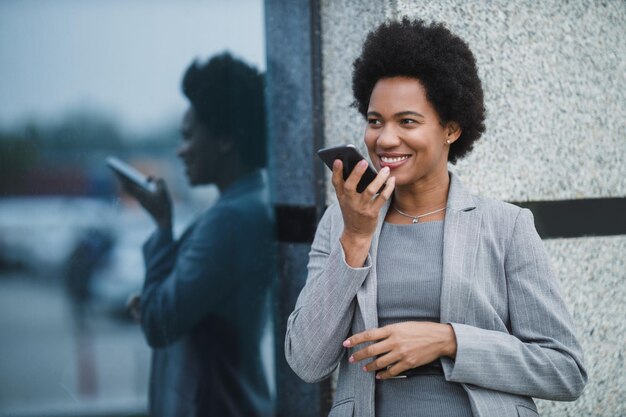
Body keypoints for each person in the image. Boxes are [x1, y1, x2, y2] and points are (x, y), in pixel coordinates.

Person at [285, 18, 586, 417]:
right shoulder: (340, 225)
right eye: (375, 121)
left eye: (407, 121)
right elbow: (307, 362)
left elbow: (564, 370)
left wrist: (449, 341)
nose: (385, 139)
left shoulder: (505, 226)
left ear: (451, 128)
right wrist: (356, 238)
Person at [117, 53, 275, 417]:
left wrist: (161, 225)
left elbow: (160, 324)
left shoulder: (230, 218)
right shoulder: (245, 205)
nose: (180, 150)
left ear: (223, 138)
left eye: (188, 136)